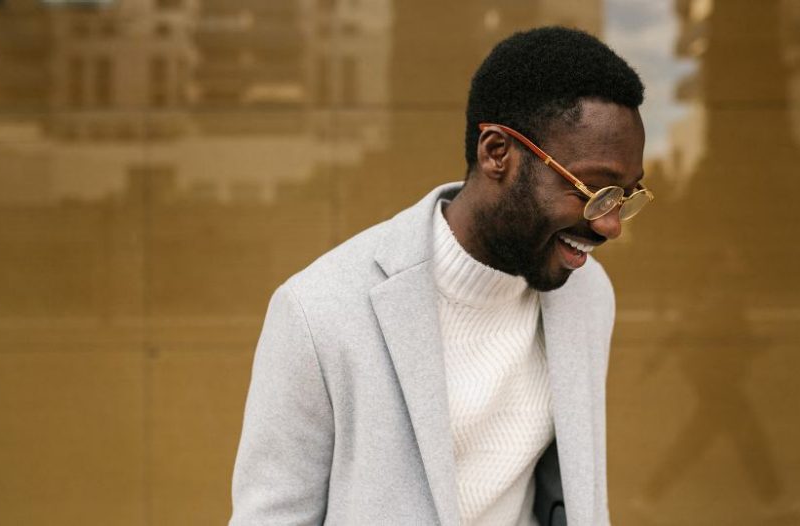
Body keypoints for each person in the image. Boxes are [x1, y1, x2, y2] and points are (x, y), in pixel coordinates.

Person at [229, 26, 649, 526]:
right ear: (497, 152)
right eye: (594, 191)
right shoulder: (318, 311)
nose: (609, 224)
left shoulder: (588, 293)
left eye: (626, 197)